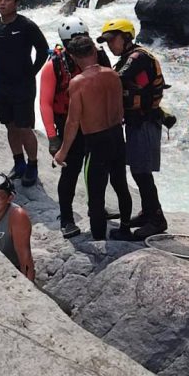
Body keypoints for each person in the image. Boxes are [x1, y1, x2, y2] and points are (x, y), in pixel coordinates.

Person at [54, 35, 133, 241]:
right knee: (121, 185)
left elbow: (73, 121)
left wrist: (62, 151)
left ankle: (98, 240)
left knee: (96, 194)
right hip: (117, 136)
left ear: (73, 57)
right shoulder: (113, 74)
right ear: (94, 52)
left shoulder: (78, 82)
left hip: (96, 143)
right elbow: (120, 108)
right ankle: (125, 229)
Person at [40, 16, 112, 239]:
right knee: (71, 171)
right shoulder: (54, 66)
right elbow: (45, 102)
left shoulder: (99, 57)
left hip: (95, 122)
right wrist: (52, 137)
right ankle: (67, 218)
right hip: (68, 122)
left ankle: (96, 207)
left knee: (98, 169)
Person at [96, 19, 167, 239]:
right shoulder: (128, 58)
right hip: (138, 121)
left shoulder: (138, 58)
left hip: (145, 121)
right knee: (139, 170)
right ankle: (147, 212)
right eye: (107, 42)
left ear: (126, 37)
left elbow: (116, 79)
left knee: (141, 172)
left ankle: (157, 219)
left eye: (112, 40)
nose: (110, 45)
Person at [0, 0, 49, 187]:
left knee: (24, 127)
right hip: (2, 84)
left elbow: (43, 50)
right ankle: (19, 163)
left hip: (23, 85)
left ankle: (32, 164)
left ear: (16, 3)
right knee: (10, 125)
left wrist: (32, 72)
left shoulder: (27, 25)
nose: (2, 3)